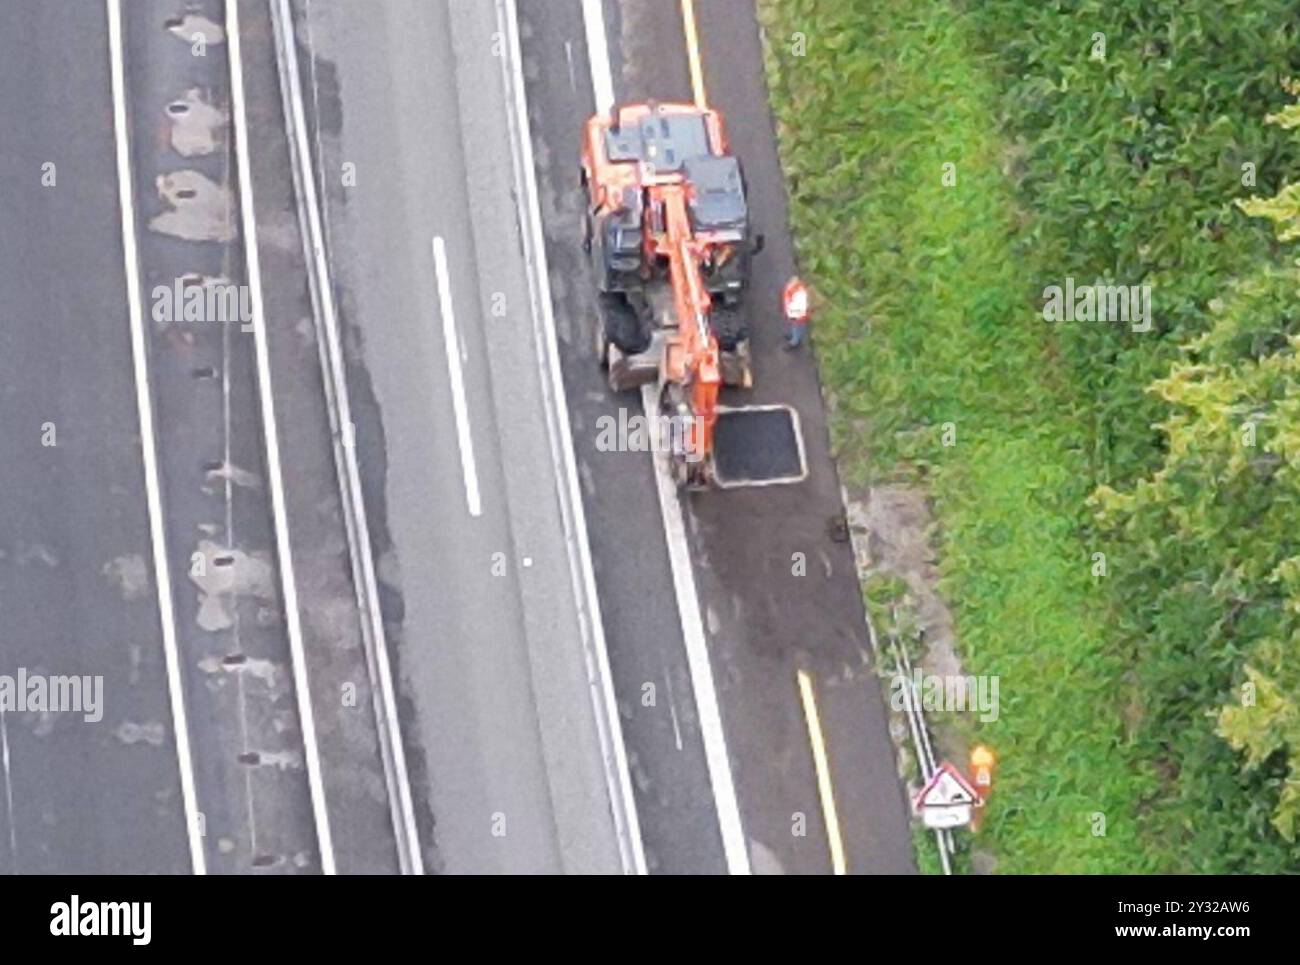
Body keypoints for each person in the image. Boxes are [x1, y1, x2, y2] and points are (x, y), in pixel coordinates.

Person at [782, 276, 810, 349]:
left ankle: (794, 342)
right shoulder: (793, 289)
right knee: (795, 327)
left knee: (797, 327)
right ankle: (794, 337)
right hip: (794, 313)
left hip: (798, 316)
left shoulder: (799, 293)